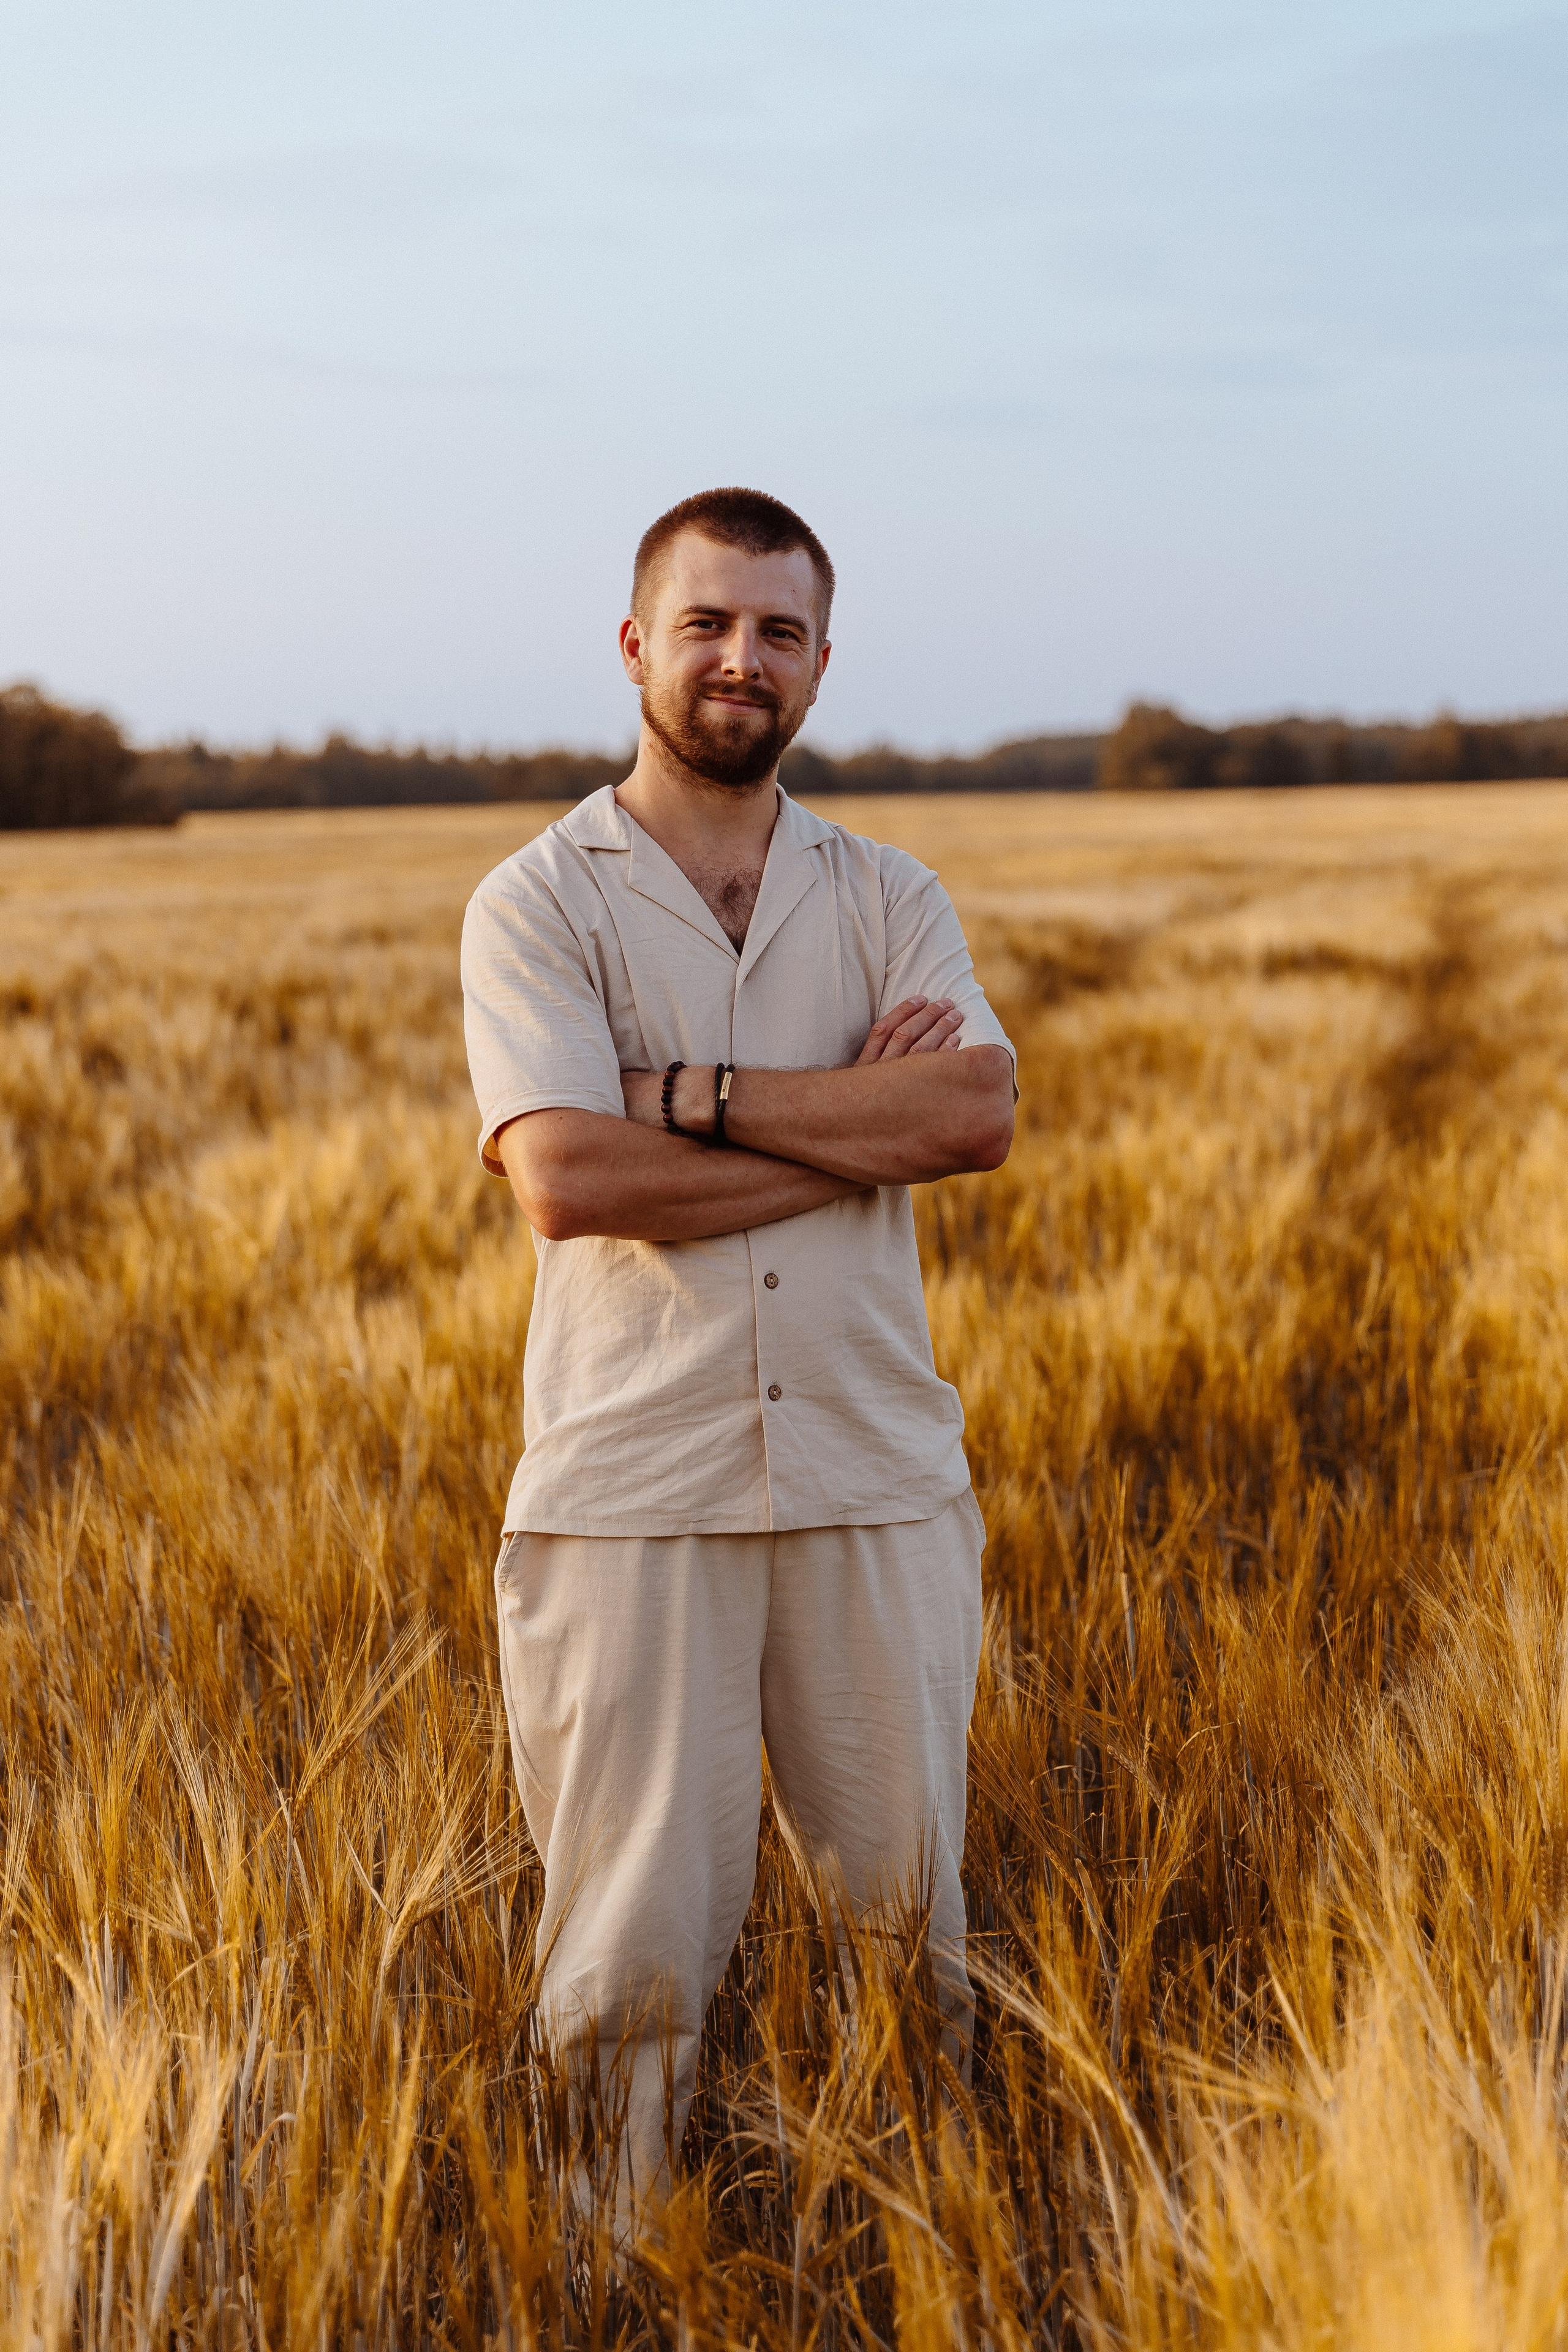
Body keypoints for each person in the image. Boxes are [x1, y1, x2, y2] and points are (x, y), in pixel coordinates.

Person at [460, 486, 1016, 2216]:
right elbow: (562, 1176)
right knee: (628, 1963)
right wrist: (855, 1121)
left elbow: (974, 1111)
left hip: (870, 1468)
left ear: (822, 665)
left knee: (915, 1941)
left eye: (777, 630)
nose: (739, 659)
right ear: (636, 646)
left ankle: (917, 2266)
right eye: (705, 623)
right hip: (638, 1488)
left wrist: (688, 1106)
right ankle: (617, 2274)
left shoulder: (887, 892)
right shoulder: (538, 902)